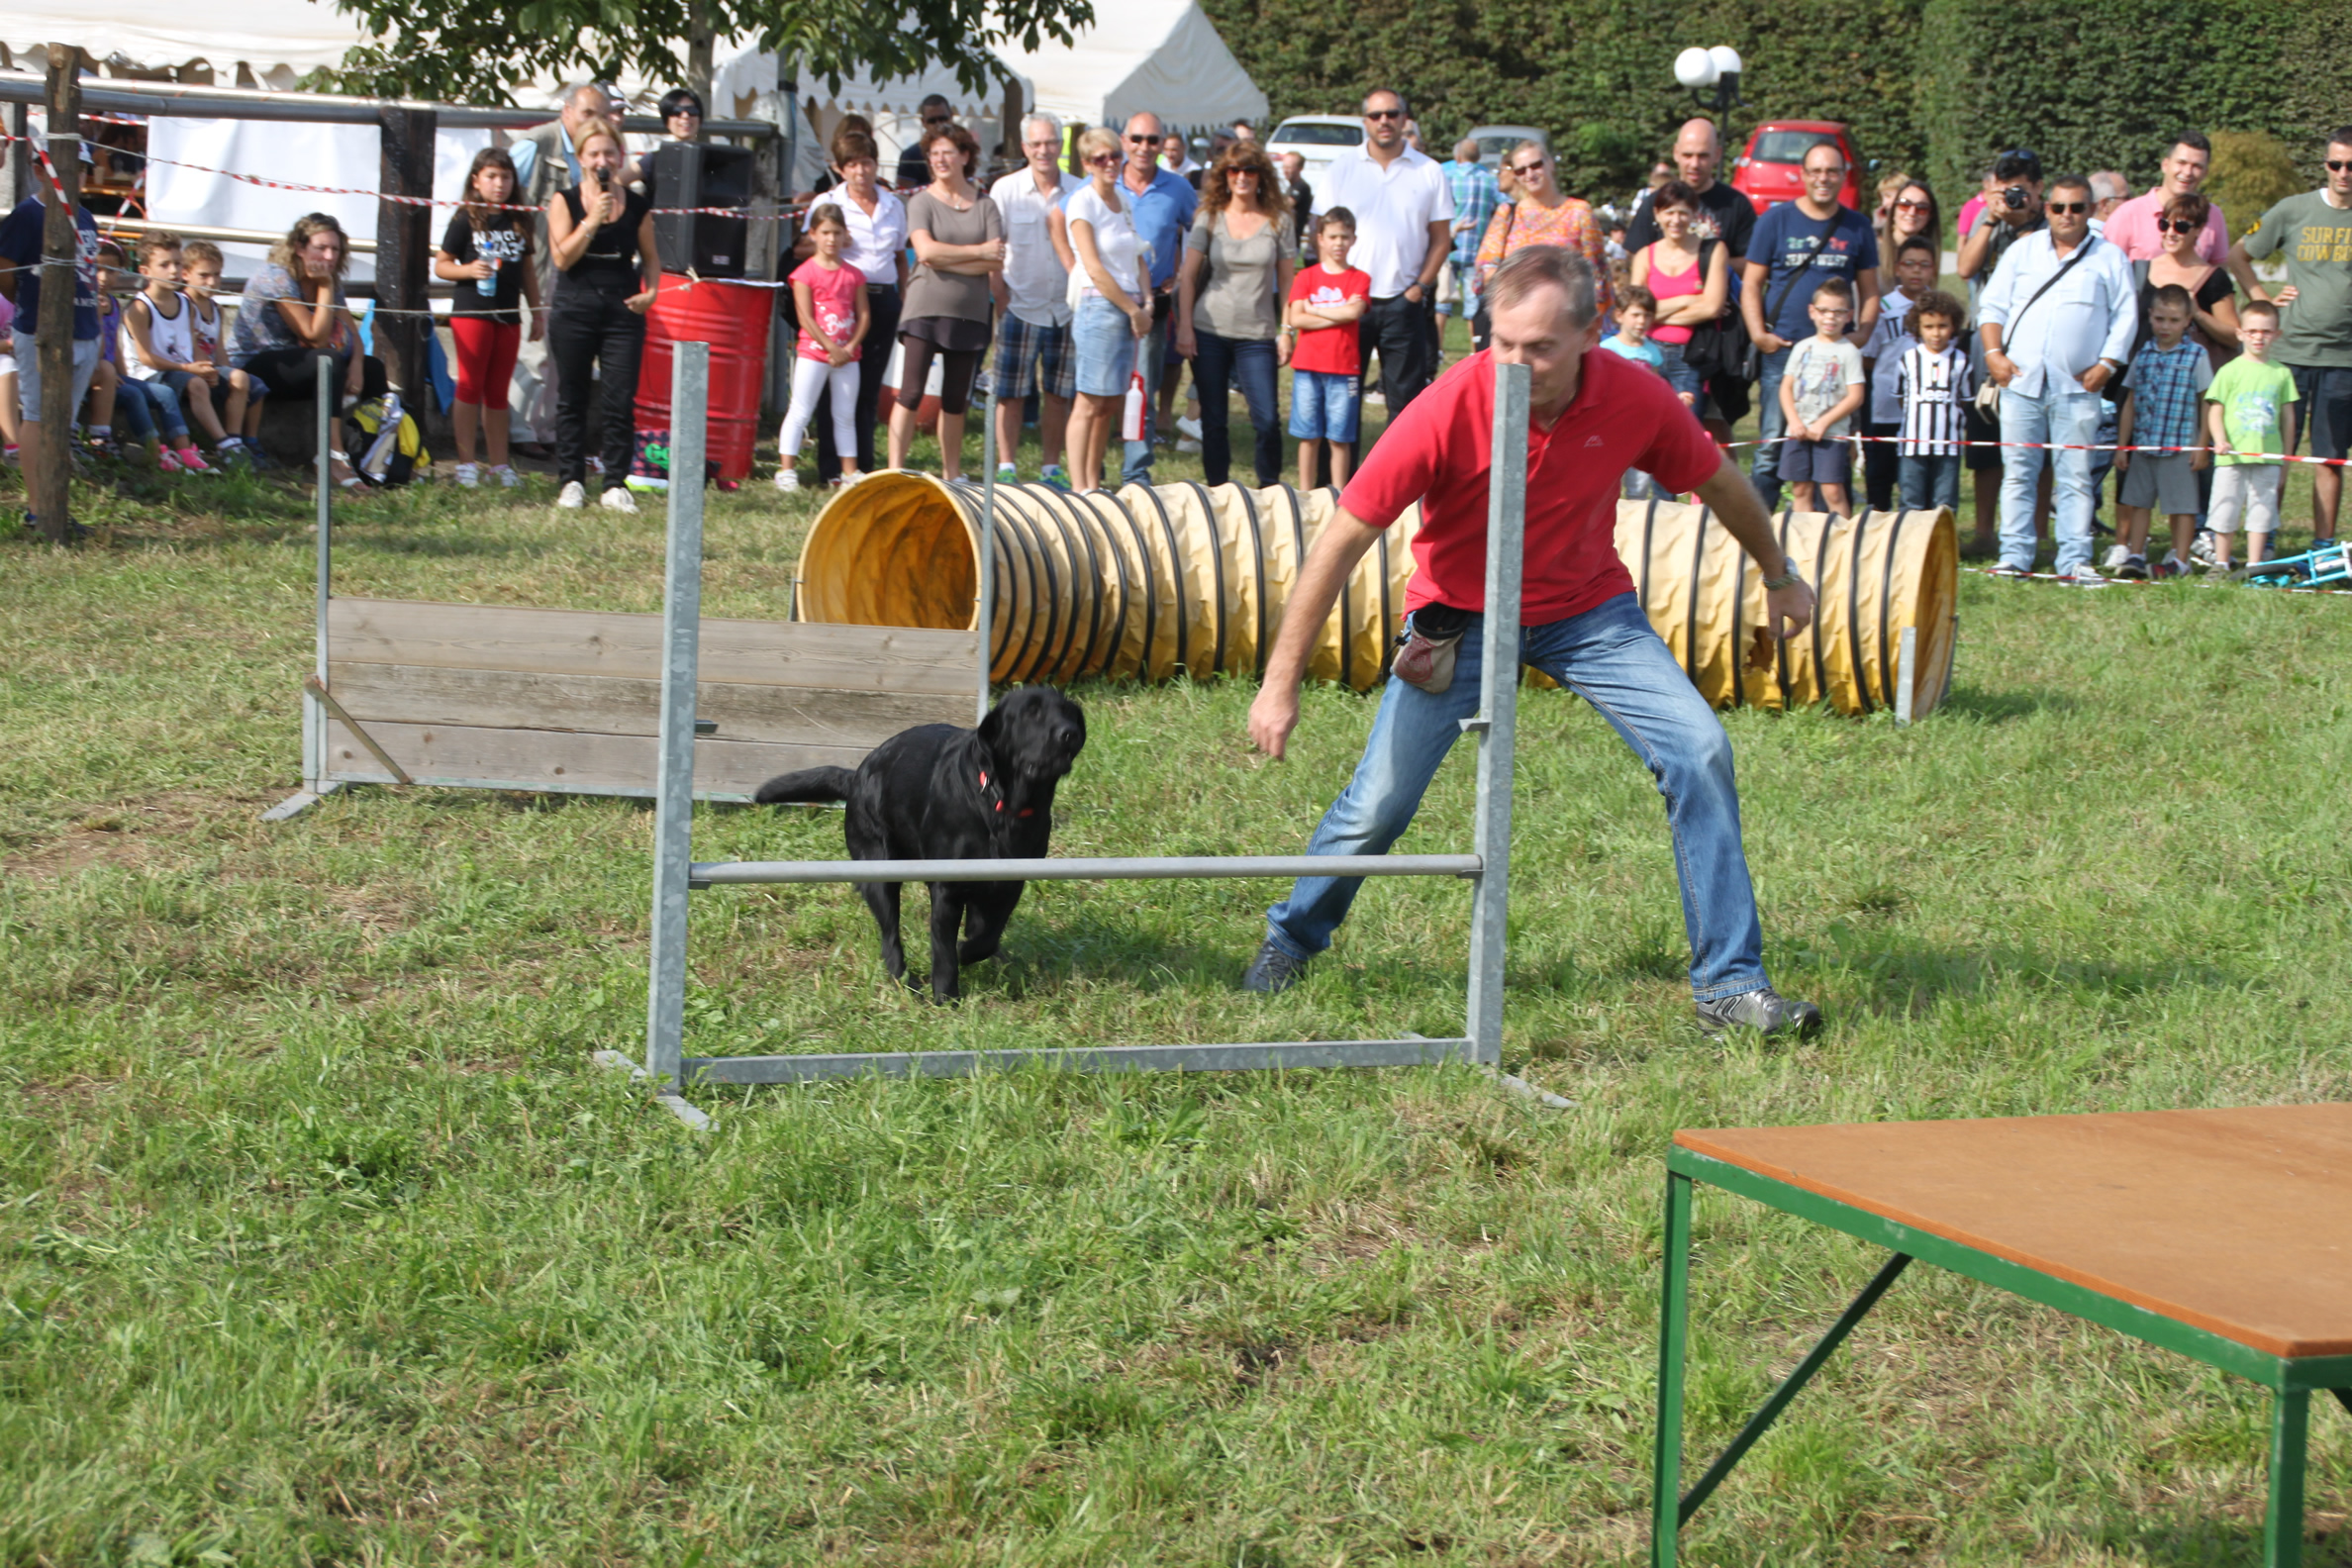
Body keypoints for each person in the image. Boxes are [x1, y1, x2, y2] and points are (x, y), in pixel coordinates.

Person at [1239, 245, 1822, 1039]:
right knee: (1378, 804)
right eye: (1503, 343)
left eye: (1541, 348)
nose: (1517, 363)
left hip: (1589, 614)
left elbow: (1718, 480)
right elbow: (1343, 538)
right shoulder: (1450, 405)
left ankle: (1729, 987)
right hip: (1459, 617)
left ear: (1593, 331)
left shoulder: (1634, 396)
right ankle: (1290, 939)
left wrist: (1780, 573)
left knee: (1702, 750)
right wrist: (1281, 682)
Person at [1979, 175, 2138, 585]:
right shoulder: (2022, 250)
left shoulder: (2109, 257)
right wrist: (1994, 355)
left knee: (2075, 476)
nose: (2067, 215)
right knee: (2018, 472)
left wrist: (2107, 364)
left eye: (2077, 208)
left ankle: (2074, 559)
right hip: (2022, 382)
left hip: (2078, 387)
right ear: (2045, 208)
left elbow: (2126, 316)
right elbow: (1992, 304)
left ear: (2091, 210)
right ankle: (2014, 556)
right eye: (2059, 207)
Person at [2226, 129, 2352, 546]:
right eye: (2335, 164)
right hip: (2290, 354)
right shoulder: (2293, 209)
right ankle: (2268, 543)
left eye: (2351, 166)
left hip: (2343, 358)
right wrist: (2263, 301)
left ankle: (2322, 547)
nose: (2344, 173)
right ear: (2325, 165)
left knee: (2329, 459)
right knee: (2275, 456)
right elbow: (2237, 256)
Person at [1742, 142, 1880, 508]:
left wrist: (1863, 332)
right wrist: (1759, 335)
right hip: (1784, 351)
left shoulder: (1858, 226)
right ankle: (1761, 528)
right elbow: (1752, 283)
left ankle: (1832, 534)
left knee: (1834, 447)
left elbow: (1870, 290)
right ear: (1802, 175)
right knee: (1775, 442)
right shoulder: (1775, 220)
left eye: (1832, 171)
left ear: (1843, 176)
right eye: (1816, 171)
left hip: (1835, 356)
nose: (1824, 178)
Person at [1318, 89, 1453, 430]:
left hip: (1402, 301)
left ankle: (1398, 481)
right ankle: (1331, 482)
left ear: (1405, 118)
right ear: (1365, 121)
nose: (1384, 121)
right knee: (1339, 404)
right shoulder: (1342, 169)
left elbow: (1441, 239)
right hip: (1348, 302)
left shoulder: (1430, 171)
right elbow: (1319, 231)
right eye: (1376, 115)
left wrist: (1419, 288)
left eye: (1392, 114)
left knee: (1404, 408)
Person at [544, 120, 659, 512]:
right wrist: (592, 221)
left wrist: (652, 293)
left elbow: (651, 259)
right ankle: (572, 480)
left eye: (609, 153)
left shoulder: (638, 204)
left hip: (622, 310)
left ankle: (614, 482)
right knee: (572, 397)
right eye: (593, 154)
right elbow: (562, 258)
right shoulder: (564, 201)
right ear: (580, 159)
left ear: (620, 157)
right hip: (574, 307)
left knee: (619, 399)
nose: (602, 160)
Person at [226, 214, 389, 482]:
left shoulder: (329, 279)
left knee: (373, 368)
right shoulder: (276, 276)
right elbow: (314, 337)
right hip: (256, 363)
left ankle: (377, 455)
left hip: (302, 363)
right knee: (329, 360)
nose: (329, 256)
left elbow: (352, 334)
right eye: (321, 248)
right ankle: (331, 456)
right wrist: (325, 286)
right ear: (300, 249)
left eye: (335, 249)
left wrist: (358, 364)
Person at [510, 84, 625, 454]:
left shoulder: (599, 154)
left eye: (602, 115)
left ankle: (547, 433)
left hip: (578, 267)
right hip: (538, 261)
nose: (595, 121)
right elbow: (503, 188)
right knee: (534, 350)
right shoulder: (536, 144)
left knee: (560, 355)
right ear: (566, 112)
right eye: (588, 113)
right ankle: (521, 432)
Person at [1175, 143, 1297, 488]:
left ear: (1261, 176)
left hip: (1257, 334)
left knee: (1267, 419)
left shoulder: (1279, 220)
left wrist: (1286, 330)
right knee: (1214, 420)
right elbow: (1187, 276)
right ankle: (1219, 492)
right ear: (1224, 176)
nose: (1241, 177)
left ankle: (1269, 489)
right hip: (1208, 328)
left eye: (1249, 170)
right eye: (1233, 170)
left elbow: (1288, 280)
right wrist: (1185, 326)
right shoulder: (1209, 217)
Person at [887, 124, 1004, 481]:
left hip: (970, 313)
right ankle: (894, 471)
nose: (939, 159)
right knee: (910, 392)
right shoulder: (921, 202)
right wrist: (976, 252)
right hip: (924, 309)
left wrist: (950, 257)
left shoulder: (986, 206)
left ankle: (952, 473)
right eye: (934, 153)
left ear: (965, 156)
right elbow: (924, 251)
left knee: (956, 400)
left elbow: (996, 260)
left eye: (947, 152)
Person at [0, 149, 103, 521]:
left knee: (63, 421)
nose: (74, 177)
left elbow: (89, 277)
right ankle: (37, 506)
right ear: (38, 171)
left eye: (80, 170)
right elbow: (7, 276)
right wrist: (35, 311)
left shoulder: (86, 216)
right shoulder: (26, 216)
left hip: (85, 330)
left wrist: (95, 330)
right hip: (40, 331)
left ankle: (56, 503)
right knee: (39, 416)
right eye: (63, 169)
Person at [1096, 112, 1195, 485]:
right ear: (1124, 140)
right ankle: (1093, 469)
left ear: (1163, 144)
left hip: (1152, 303)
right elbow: (1064, 220)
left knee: (1143, 386)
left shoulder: (1178, 188)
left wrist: (1181, 275)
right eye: (1137, 139)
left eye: (1152, 140)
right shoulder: (1103, 180)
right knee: (1101, 389)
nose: (1144, 147)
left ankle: (1136, 472)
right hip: (1104, 299)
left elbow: (1197, 238)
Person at [436, 147, 542, 489]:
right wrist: (467, 269)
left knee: (498, 391)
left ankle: (500, 464)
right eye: (492, 176)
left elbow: (527, 271)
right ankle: (466, 463)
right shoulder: (465, 217)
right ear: (476, 180)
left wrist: (537, 313)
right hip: (472, 312)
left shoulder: (520, 219)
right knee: (470, 385)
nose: (499, 184)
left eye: (506, 176)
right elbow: (441, 265)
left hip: (509, 315)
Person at [987, 113, 1084, 486]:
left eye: (1051, 142)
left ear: (1061, 146)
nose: (1044, 150)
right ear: (1025, 148)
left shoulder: (1078, 190)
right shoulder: (1005, 189)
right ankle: (1007, 468)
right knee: (1010, 393)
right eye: (1036, 144)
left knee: (1059, 394)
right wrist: (1000, 297)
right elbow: (996, 250)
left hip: (1065, 308)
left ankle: (1050, 468)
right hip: (1020, 306)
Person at [812, 131, 909, 485]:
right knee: (833, 382)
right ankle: (829, 466)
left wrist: (903, 295)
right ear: (840, 169)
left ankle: (863, 465)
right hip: (840, 298)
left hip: (882, 298)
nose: (861, 172)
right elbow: (805, 249)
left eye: (867, 162)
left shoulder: (893, 205)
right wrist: (837, 245)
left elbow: (899, 256)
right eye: (852, 164)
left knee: (868, 385)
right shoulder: (829, 203)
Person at [1062, 127, 1151, 493]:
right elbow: (1094, 268)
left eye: (1115, 155)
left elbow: (1136, 255)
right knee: (1089, 400)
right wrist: (1134, 309)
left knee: (1109, 402)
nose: (1110, 163)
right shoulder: (1082, 202)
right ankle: (1079, 486)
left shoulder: (1124, 200)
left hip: (1128, 305)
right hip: (1099, 306)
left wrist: (1146, 302)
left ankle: (1092, 482)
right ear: (1086, 163)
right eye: (1100, 158)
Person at [2112, 285, 2213, 578]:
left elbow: (2207, 400)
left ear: (2187, 321)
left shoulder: (2196, 355)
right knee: (2138, 501)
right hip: (2144, 445)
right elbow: (2130, 400)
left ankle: (2180, 560)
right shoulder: (2143, 353)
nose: (2165, 326)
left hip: (2180, 446)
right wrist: (2122, 444)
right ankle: (2135, 554)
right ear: (2150, 317)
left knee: (2182, 506)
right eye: (2160, 319)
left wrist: (2202, 444)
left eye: (2173, 320)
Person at [774, 204, 867, 491]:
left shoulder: (854, 274)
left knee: (844, 414)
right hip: (813, 353)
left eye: (837, 233)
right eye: (825, 232)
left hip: (848, 356)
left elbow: (863, 315)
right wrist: (830, 348)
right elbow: (805, 317)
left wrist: (849, 347)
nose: (831, 239)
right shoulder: (804, 273)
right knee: (801, 409)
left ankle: (849, 473)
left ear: (845, 235)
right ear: (812, 234)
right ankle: (787, 470)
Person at [1475, 140, 1610, 332]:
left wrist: (1593, 327)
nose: (1529, 174)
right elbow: (1485, 269)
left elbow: (1597, 275)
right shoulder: (1507, 213)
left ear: (1550, 164)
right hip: (1516, 322)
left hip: (1565, 324)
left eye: (1536, 165)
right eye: (1521, 170)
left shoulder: (1579, 211)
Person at [2204, 301, 2299, 569]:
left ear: (2277, 334)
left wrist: (2286, 459)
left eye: (2266, 331)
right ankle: (2221, 562)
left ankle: (2254, 566)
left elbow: (2288, 419)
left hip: (2268, 456)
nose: (2259, 337)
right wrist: (2219, 440)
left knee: (2262, 512)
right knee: (2225, 509)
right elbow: (2215, 410)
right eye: (2252, 331)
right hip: (2231, 458)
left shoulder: (2282, 373)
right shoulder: (2229, 371)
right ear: (2240, 333)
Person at [118, 234, 223, 471]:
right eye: (164, 265)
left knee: (228, 382)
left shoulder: (185, 303)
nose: (173, 270)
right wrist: (188, 369)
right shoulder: (139, 307)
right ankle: (198, 447)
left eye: (177, 263)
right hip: (148, 374)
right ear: (145, 270)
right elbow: (145, 358)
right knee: (189, 386)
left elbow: (190, 345)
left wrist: (206, 367)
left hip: (180, 370)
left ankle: (222, 443)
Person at [1629, 180, 1729, 420]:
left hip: (1691, 357)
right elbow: (1635, 309)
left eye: (1683, 212)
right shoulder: (1645, 255)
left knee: (1686, 428)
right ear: (1657, 214)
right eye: (1669, 212)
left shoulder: (1713, 251)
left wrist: (1653, 314)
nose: (1676, 220)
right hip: (1648, 354)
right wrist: (1688, 298)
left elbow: (1713, 306)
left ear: (1694, 215)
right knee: (1645, 424)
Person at [1286, 208, 1370, 490]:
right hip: (1308, 366)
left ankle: (1338, 494)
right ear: (1320, 238)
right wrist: (1339, 310)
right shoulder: (1306, 277)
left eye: (1345, 237)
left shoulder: (1359, 278)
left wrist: (1315, 310)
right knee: (1308, 434)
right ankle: (1305, 494)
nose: (1338, 243)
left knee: (1340, 437)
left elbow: (1354, 313)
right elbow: (1296, 318)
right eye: (1333, 236)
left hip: (1344, 368)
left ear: (1354, 239)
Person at [1858, 236, 1939, 511]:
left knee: (1920, 472)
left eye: (1924, 265)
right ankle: (1878, 526)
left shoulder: (1940, 309)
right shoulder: (1884, 308)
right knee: (1880, 470)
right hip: (1887, 407)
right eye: (1910, 264)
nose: (1917, 270)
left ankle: (1920, 527)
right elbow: (1868, 358)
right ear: (1897, 268)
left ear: (1934, 269)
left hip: (1926, 408)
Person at [1778, 277, 1867, 518]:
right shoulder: (1802, 347)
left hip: (1831, 434)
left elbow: (1855, 396)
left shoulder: (1849, 351)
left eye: (1838, 312)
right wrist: (1794, 421)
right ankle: (1804, 542)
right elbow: (1786, 387)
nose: (1830, 318)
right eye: (1824, 311)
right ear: (1812, 312)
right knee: (1800, 489)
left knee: (1832, 492)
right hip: (1797, 431)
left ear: (1849, 316)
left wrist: (1823, 423)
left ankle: (1845, 543)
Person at [1623, 119, 1756, 262]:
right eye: (1688, 155)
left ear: (1717, 154)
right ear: (1676, 153)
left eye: (1703, 156)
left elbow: (1751, 264)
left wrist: (1707, 266)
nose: (1694, 164)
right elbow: (1635, 256)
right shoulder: (1656, 202)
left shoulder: (1737, 205)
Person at [179, 242, 257, 467]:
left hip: (210, 366)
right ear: (186, 274)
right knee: (240, 379)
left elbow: (219, 347)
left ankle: (242, 440)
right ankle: (229, 443)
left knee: (251, 383)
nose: (212, 282)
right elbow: (189, 344)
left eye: (216, 275)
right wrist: (210, 370)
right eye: (204, 275)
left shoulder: (216, 308)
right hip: (192, 367)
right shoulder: (184, 304)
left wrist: (227, 371)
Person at [1895, 290, 1973, 511]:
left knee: (1945, 504)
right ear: (1918, 328)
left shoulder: (1961, 361)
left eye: (1942, 326)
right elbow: (1901, 398)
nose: (1936, 333)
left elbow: (1964, 400)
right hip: (1912, 445)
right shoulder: (1908, 359)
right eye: (1929, 327)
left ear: (1954, 326)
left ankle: (1941, 545)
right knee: (1911, 501)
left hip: (1948, 447)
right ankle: (1911, 544)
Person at [2139, 192, 2239, 361]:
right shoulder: (2140, 270)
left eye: (2181, 227)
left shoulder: (2213, 278)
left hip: (2190, 378)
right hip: (2143, 374)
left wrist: (2198, 314)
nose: (2170, 233)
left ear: (2199, 230)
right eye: (2164, 224)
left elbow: (2235, 337)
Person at [2103, 134, 2229, 263]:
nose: (2187, 172)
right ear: (2165, 165)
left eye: (2196, 166)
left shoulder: (2213, 215)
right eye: (2181, 163)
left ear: (2205, 173)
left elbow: (2219, 271)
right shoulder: (2128, 214)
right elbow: (2106, 270)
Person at [1438, 139, 1500, 341]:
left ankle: (1437, 349)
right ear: (1478, 158)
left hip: (1448, 247)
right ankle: (1474, 352)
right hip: (1477, 251)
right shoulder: (1490, 180)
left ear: (1457, 156)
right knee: (1474, 305)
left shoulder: (1447, 177)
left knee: (1442, 302)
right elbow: (1506, 205)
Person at [896, 96, 954, 191]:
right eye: (932, 121)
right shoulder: (911, 155)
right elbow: (903, 193)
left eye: (943, 119)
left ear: (951, 117)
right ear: (923, 122)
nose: (938, 124)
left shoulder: (962, 150)